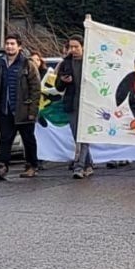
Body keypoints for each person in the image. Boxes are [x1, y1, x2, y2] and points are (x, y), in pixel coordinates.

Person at [0, 33, 41, 180]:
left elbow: (35, 89)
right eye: (7, 43)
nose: (9, 46)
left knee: (28, 139)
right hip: (5, 110)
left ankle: (32, 165)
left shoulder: (27, 64)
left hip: (23, 110)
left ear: (19, 46)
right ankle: (2, 166)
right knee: (5, 139)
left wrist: (32, 110)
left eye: (12, 44)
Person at [56, 35, 93, 179]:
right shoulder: (65, 63)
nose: (73, 50)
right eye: (71, 47)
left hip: (88, 104)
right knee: (77, 136)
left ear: (83, 46)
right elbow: (58, 87)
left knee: (84, 136)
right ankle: (88, 165)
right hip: (72, 104)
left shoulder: (90, 62)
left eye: (76, 47)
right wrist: (64, 81)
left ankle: (79, 166)